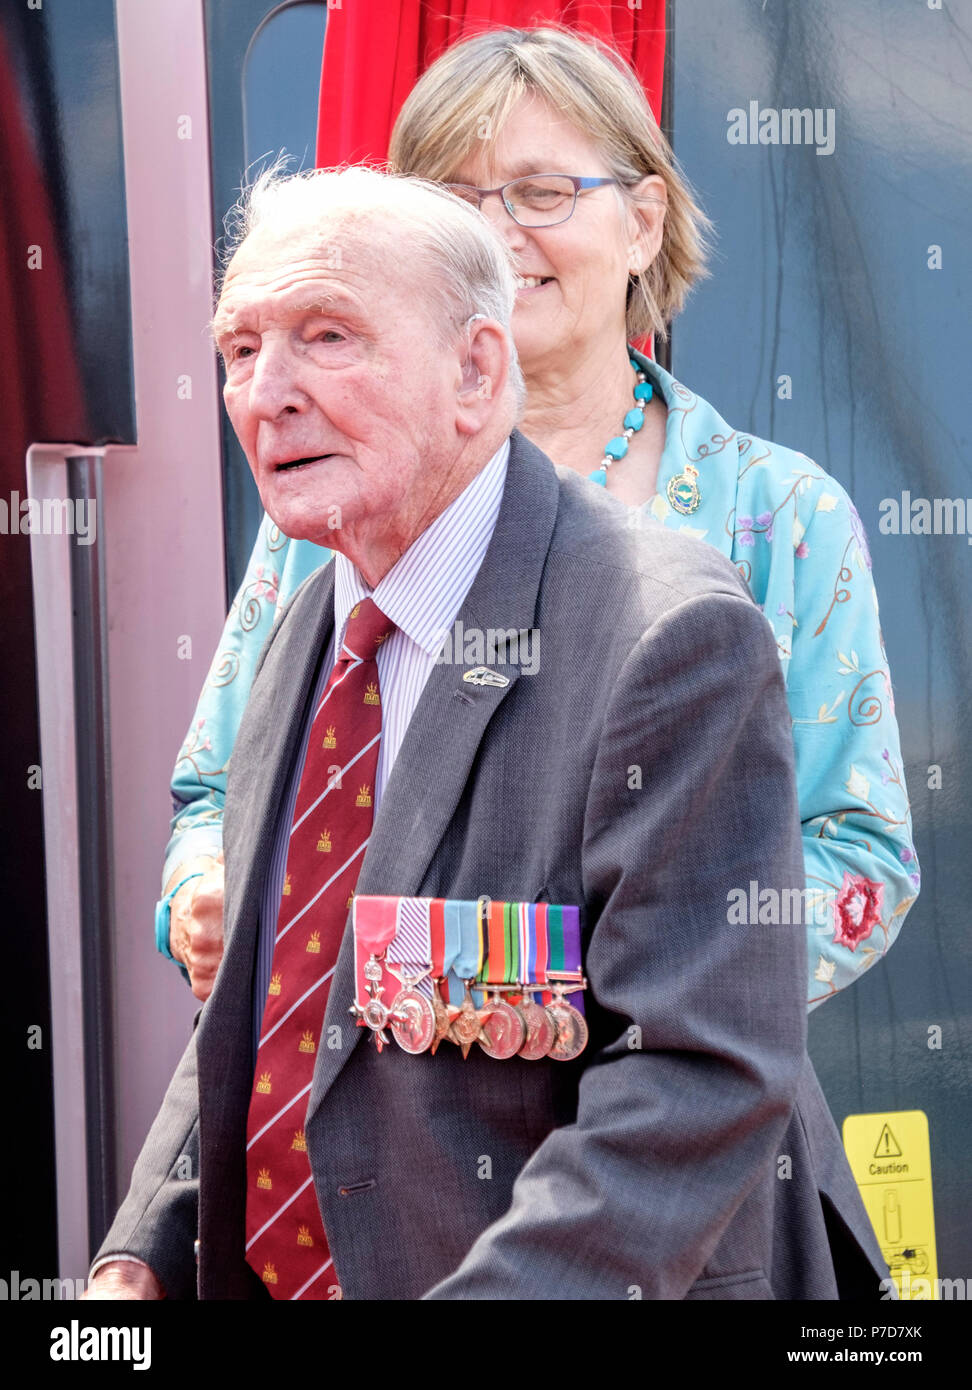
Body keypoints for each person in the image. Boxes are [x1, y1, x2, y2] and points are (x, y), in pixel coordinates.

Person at [89, 165, 887, 1300]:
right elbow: (274, 992)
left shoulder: (667, 637)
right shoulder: (318, 616)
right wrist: (139, 1256)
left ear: (477, 368)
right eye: (239, 349)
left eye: (325, 336)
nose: (267, 391)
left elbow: (695, 1076)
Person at [159, 26, 918, 1010]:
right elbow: (214, 793)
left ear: (643, 223)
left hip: (669, 1120)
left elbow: (859, 860)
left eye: (543, 192)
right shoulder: (341, 492)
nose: (493, 234)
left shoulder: (784, 517)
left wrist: (594, 989)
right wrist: (200, 898)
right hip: (371, 1124)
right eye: (451, 202)